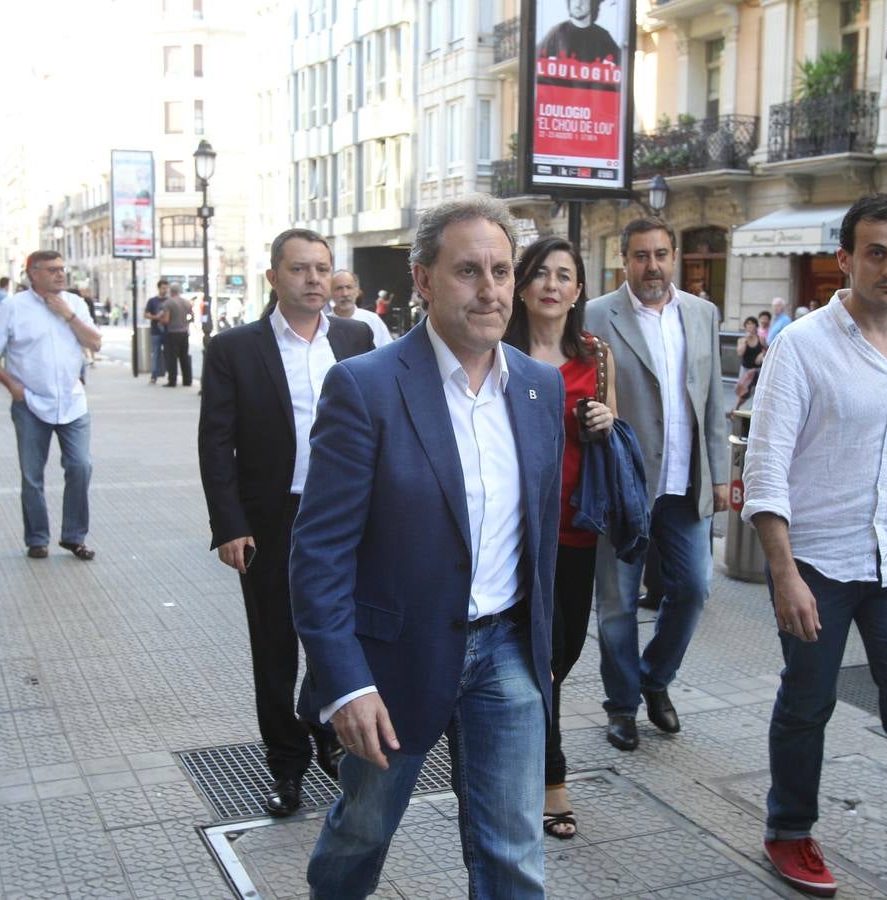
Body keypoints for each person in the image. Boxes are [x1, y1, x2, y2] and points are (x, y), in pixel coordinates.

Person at [290, 196, 564, 898]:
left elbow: (539, 534)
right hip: (393, 659)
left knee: (513, 851)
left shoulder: (539, 387)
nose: (492, 289)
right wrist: (344, 682)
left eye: (502, 271)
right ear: (422, 279)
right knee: (363, 831)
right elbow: (319, 554)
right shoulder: (366, 388)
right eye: (469, 270)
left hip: (505, 651)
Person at [743, 193, 887, 900]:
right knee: (808, 704)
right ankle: (790, 827)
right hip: (820, 561)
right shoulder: (802, 345)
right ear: (846, 259)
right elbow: (766, 464)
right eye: (875, 252)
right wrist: (783, 573)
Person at [197, 228, 375, 816]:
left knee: (342, 636)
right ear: (273, 277)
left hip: (348, 517)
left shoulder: (354, 337)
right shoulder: (234, 349)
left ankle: (329, 732)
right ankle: (286, 765)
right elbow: (215, 442)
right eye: (300, 269)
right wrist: (229, 524)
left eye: (323, 268)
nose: (315, 280)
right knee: (275, 646)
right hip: (272, 518)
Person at [583, 217, 729, 752]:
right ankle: (621, 705)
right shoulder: (597, 314)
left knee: (693, 588)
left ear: (675, 257)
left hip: (685, 484)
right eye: (641, 255)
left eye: (661, 254)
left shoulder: (702, 313)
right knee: (618, 604)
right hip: (625, 485)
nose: (653, 266)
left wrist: (719, 476)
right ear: (625, 260)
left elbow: (714, 400)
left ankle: (655, 678)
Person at [503, 236, 616, 841]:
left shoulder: (595, 354)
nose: (552, 284)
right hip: (517, 529)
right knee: (541, 656)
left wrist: (604, 420)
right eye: (541, 274)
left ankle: (517, 738)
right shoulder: (501, 349)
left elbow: (610, 428)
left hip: (576, 523)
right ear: (522, 286)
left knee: (564, 652)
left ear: (578, 291)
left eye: (564, 275)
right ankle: (551, 778)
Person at [0, 250, 103, 561]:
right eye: (52, 270)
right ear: (33, 274)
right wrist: (12, 387)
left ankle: (74, 536)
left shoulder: (75, 304)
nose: (61, 275)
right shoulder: (13, 307)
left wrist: (68, 315)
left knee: (80, 466)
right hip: (31, 404)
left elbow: (95, 343)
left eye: (62, 269)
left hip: (72, 403)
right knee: (32, 475)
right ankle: (37, 539)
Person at [537, 0, 622, 65]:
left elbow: (622, 65)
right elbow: (534, 61)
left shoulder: (603, 36)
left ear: (593, 3)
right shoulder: (557, 32)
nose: (578, 4)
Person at [329, 270, 392, 347]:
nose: (345, 293)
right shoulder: (323, 324)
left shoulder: (373, 320)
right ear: (330, 293)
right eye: (339, 288)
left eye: (349, 287)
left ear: (357, 291)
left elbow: (387, 350)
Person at [159, 285, 194, 387]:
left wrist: (159, 320)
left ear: (171, 292)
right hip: (184, 332)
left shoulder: (168, 303)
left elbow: (166, 319)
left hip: (173, 332)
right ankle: (187, 380)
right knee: (184, 356)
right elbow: (192, 317)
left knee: (172, 357)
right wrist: (185, 323)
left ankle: (172, 380)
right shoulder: (186, 302)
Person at [734, 315, 766, 408]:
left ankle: (757, 410)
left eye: (752, 324)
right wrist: (745, 341)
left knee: (761, 392)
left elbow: (768, 349)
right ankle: (736, 409)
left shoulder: (761, 338)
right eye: (748, 324)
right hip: (746, 370)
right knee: (744, 393)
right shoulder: (741, 340)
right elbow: (740, 353)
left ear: (756, 326)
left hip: (758, 370)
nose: (750, 326)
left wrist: (762, 354)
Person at [144, 280, 170, 384]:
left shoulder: (169, 300)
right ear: (159, 288)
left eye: (166, 288)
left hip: (168, 331)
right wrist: (156, 317)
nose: (165, 290)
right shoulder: (152, 301)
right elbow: (146, 314)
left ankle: (170, 376)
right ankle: (154, 375)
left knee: (169, 354)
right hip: (155, 331)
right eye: (163, 288)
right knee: (155, 353)